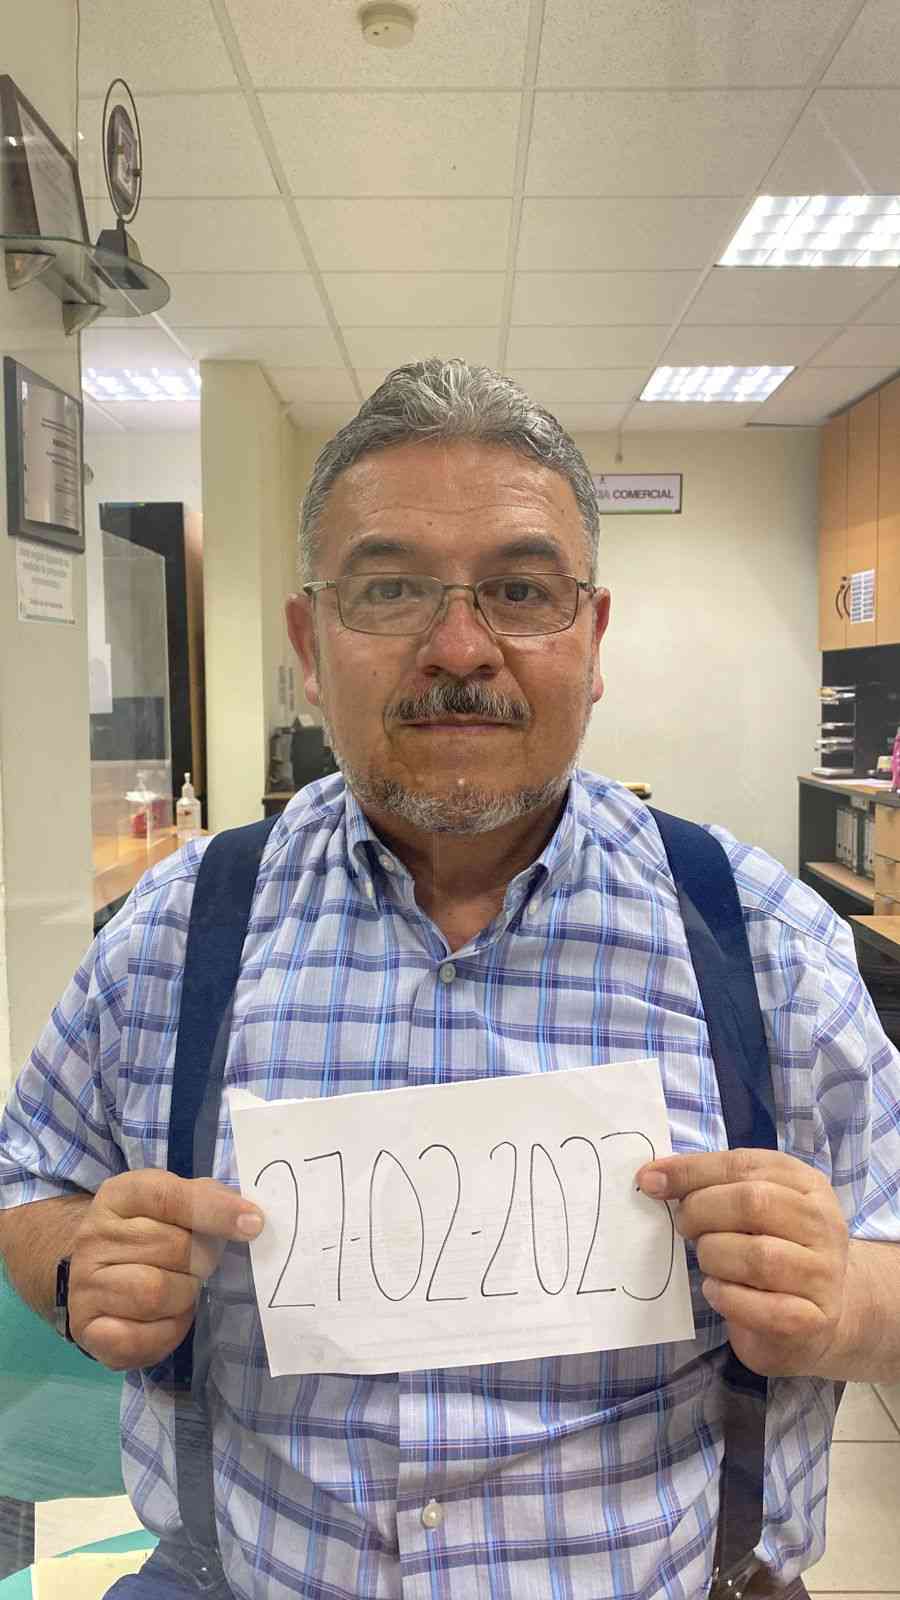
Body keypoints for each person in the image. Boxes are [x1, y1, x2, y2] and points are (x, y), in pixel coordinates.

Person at [1, 357, 899, 1600]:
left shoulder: (763, 942)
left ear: (593, 639)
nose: (461, 647)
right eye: (390, 589)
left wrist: (845, 1298)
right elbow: (31, 1178)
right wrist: (76, 1266)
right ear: (311, 645)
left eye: (521, 590)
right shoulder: (176, 930)